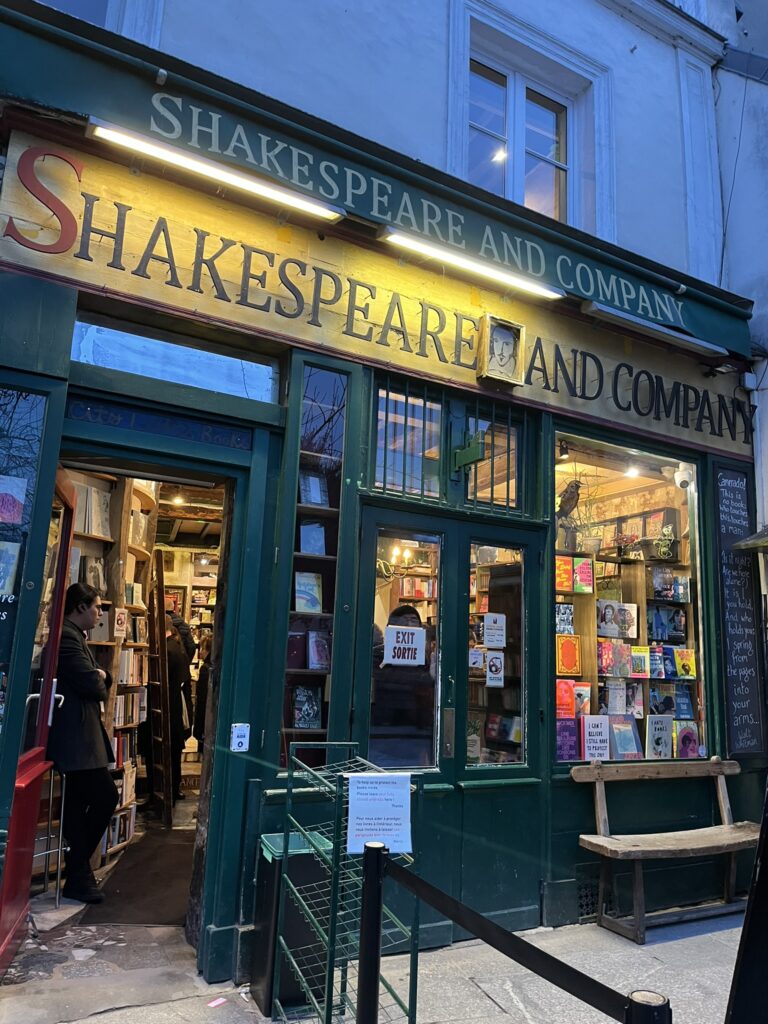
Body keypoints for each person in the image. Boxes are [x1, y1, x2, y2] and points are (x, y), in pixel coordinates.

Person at [47, 583, 118, 903]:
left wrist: (100, 675)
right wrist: (100, 675)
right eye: (96, 607)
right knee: (105, 796)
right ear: (79, 607)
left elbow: (95, 680)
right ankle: (78, 870)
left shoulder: (73, 636)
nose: (100, 613)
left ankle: (77, 875)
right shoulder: (67, 638)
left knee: (76, 804)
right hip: (75, 738)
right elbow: (94, 685)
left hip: (76, 735)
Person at [369, 605, 435, 768]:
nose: (409, 625)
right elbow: (382, 679)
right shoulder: (379, 654)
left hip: (416, 735)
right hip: (383, 733)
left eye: (413, 620)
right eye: (404, 620)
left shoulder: (424, 659)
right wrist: (426, 678)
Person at [166, 614, 192, 803]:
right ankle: (175, 788)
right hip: (178, 706)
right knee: (174, 752)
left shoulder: (168, 650)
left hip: (171, 707)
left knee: (171, 752)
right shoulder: (179, 647)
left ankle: (171, 790)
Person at [193, 632, 212, 756]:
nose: (200, 652)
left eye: (202, 648)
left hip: (206, 717)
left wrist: (198, 728)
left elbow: (202, 699)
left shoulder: (205, 669)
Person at [164, 595, 196, 663]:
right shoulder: (184, 625)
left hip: (165, 661)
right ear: (173, 608)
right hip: (181, 661)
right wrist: (186, 662)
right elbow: (191, 647)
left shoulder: (161, 624)